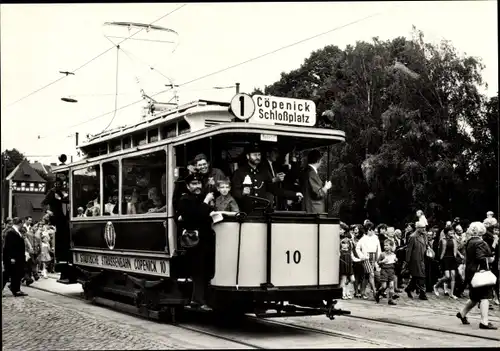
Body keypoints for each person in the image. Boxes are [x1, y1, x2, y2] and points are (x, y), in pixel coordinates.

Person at [177, 173, 216, 310]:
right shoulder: (185, 200)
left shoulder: (202, 198)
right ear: (188, 186)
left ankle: (199, 299)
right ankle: (198, 300)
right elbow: (195, 217)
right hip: (194, 240)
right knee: (198, 270)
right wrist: (206, 203)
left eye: (199, 183)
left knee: (206, 270)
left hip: (206, 238)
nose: (197, 186)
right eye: (193, 184)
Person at [232, 143, 302, 214]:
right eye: (254, 155)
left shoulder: (263, 172)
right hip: (246, 213)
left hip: (262, 212)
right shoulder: (239, 172)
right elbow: (234, 192)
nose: (257, 157)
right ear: (248, 156)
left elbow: (274, 190)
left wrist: (294, 194)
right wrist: (242, 193)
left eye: (259, 155)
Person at [456, 222, 497, 330]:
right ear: (481, 231)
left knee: (474, 297)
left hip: (471, 272)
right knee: (485, 297)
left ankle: (462, 313)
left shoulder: (470, 241)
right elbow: (481, 257)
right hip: (480, 273)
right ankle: (484, 322)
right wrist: (489, 259)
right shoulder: (480, 242)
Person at [2, 217, 28, 297]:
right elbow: (9, 246)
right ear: (20, 223)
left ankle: (16, 289)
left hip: (17, 257)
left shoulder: (16, 231)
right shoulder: (11, 232)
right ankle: (15, 289)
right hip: (13, 258)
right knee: (7, 274)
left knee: (16, 274)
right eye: (22, 223)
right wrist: (11, 257)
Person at [300, 149, 332, 214]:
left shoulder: (305, 171)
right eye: (321, 160)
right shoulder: (311, 173)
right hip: (313, 210)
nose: (321, 162)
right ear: (318, 160)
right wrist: (326, 187)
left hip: (309, 208)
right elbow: (318, 194)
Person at [355, 221, 381, 300]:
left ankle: (363, 292)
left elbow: (378, 249)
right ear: (367, 230)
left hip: (373, 257)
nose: (371, 231)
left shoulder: (376, 238)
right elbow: (357, 248)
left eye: (372, 230)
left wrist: (378, 259)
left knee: (367, 276)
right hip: (366, 257)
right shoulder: (363, 238)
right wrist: (362, 256)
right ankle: (375, 292)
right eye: (369, 230)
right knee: (371, 274)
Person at [433, 226, 461, 299]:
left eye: (452, 231)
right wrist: (440, 259)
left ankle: (451, 293)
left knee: (453, 276)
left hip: (452, 259)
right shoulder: (442, 240)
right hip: (445, 259)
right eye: (450, 231)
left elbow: (457, 248)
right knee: (447, 276)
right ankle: (436, 286)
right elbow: (439, 250)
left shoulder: (454, 239)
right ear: (446, 232)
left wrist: (460, 255)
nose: (452, 232)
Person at [404, 221, 428, 300]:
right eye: (422, 228)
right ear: (418, 228)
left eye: (424, 227)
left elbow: (425, 246)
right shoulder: (413, 237)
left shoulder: (423, 236)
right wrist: (407, 261)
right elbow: (409, 250)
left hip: (422, 258)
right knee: (421, 276)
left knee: (416, 276)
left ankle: (409, 288)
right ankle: (422, 293)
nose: (424, 229)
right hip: (415, 259)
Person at [375, 239, 398, 305]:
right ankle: (378, 292)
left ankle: (390, 299)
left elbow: (394, 263)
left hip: (391, 271)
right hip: (384, 271)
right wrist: (382, 262)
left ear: (391, 246)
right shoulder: (382, 254)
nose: (385, 247)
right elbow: (378, 262)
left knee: (391, 286)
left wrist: (396, 260)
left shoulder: (393, 254)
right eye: (384, 245)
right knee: (384, 286)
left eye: (387, 245)